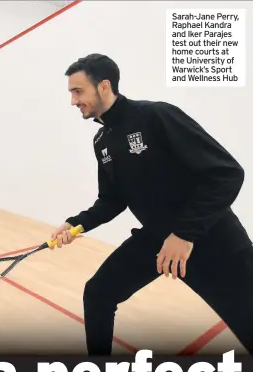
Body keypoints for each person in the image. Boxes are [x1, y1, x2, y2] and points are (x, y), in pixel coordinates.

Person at [51, 53, 253, 355]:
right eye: (71, 93)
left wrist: (185, 235)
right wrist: (75, 224)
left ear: (104, 87)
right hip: (158, 238)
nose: (73, 101)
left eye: (78, 91)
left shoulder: (156, 116)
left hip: (213, 241)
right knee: (99, 294)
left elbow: (227, 173)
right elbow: (111, 200)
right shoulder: (102, 141)